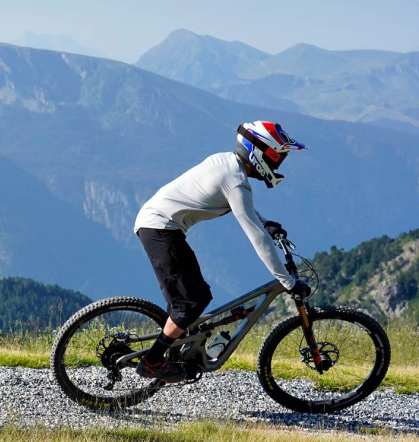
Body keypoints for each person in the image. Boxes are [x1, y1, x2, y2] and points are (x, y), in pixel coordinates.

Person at [132, 121, 312, 383]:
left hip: (157, 224)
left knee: (191, 299)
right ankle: (152, 361)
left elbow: (244, 209)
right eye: (277, 157)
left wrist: (265, 223)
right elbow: (257, 238)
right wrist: (287, 281)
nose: (278, 165)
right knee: (192, 300)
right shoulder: (236, 182)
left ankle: (177, 351)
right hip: (160, 228)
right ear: (260, 154)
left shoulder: (228, 163)